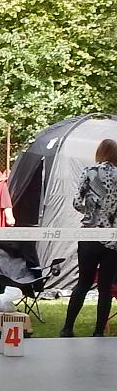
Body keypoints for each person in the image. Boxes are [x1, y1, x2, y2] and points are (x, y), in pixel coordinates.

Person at [60, 139, 117, 338]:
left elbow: (77, 202)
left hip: (89, 234)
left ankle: (67, 328)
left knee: (83, 283)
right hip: (112, 237)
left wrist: (89, 211)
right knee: (105, 287)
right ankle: (99, 332)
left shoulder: (89, 171)